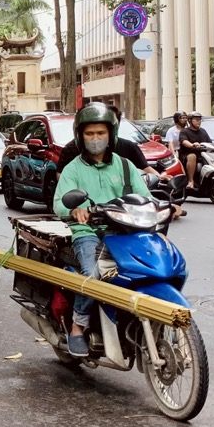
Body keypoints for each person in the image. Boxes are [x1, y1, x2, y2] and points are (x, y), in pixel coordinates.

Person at [53, 105, 176, 358]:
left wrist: (162, 210)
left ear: (111, 134)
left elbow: (146, 198)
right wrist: (76, 210)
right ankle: (78, 325)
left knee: (154, 268)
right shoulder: (73, 169)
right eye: (89, 134)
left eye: (100, 132)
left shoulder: (125, 165)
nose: (95, 139)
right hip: (89, 232)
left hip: (127, 233)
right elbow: (58, 203)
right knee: (93, 274)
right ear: (80, 136)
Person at [179, 111, 214, 190]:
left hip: (201, 154)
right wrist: (192, 145)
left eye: (200, 119)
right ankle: (191, 181)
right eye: (196, 119)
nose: (199, 121)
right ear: (190, 121)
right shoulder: (184, 131)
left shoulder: (203, 131)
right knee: (192, 156)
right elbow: (184, 141)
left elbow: (210, 143)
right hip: (187, 154)